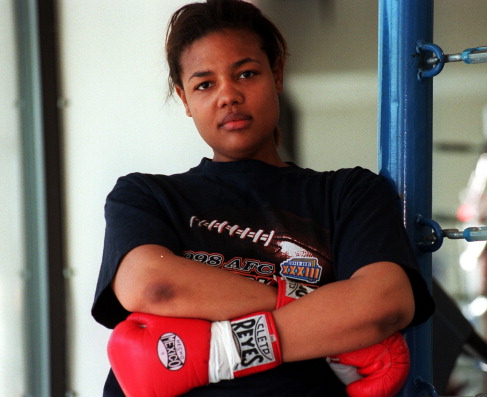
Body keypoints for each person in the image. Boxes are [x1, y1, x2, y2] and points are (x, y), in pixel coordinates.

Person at [92, 0, 434, 396]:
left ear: (277, 73)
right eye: (205, 84)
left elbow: (384, 304)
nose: (228, 96)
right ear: (184, 99)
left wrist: (218, 351)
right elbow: (153, 285)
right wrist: (325, 313)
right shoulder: (146, 195)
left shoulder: (349, 193)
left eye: (246, 73)